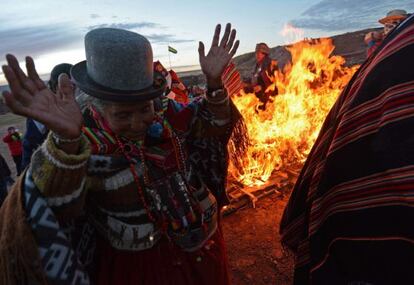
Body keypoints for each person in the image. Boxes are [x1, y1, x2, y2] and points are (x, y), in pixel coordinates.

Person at [0, 23, 240, 285]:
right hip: (136, 271)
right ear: (99, 108)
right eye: (123, 115)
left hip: (201, 252)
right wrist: (65, 141)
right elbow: (58, 205)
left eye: (144, 109)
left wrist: (215, 84)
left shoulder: (169, 115)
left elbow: (212, 128)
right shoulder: (82, 141)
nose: (138, 122)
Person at [281, 14, 414, 284]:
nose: (386, 27)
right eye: (385, 25)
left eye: (390, 24)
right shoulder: (397, 48)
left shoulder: (394, 47)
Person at [21, 63, 73, 169]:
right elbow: (30, 146)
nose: (72, 92)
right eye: (67, 86)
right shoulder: (42, 111)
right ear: (56, 87)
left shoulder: (84, 107)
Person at [244, 42, 278, 110]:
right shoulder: (258, 65)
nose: (257, 55)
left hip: (269, 100)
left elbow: (277, 83)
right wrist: (245, 83)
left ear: (264, 54)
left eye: (259, 52)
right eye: (256, 52)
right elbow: (255, 77)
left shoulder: (271, 65)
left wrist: (262, 87)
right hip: (258, 98)